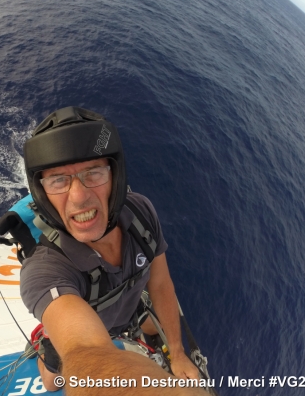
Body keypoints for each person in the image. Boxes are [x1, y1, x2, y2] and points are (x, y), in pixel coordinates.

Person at [20, 106, 205, 395]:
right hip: (84, 333)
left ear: (115, 179)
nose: (79, 197)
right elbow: (85, 351)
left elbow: (160, 283)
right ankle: (46, 344)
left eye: (93, 173)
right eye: (58, 180)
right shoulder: (44, 270)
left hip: (127, 313)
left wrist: (179, 355)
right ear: (43, 195)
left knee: (154, 330)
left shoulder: (141, 213)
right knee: (53, 382)